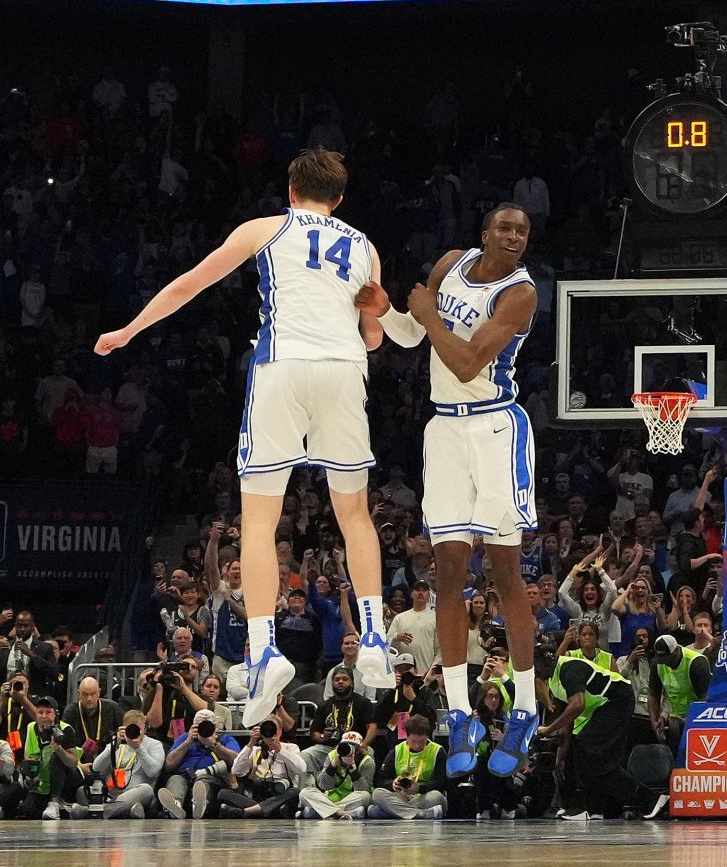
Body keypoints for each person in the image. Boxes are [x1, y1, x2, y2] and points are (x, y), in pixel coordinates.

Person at [94, 149, 396, 726]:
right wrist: (377, 312)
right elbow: (374, 336)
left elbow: (189, 284)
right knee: (354, 514)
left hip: (283, 366)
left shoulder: (265, 227)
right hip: (343, 367)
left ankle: (262, 650)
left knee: (258, 522)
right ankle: (377, 637)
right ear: (338, 199)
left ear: (290, 190)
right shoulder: (364, 246)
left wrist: (130, 329)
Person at [358, 203, 542, 778]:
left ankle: (527, 707)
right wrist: (387, 312)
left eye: (522, 232)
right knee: (447, 574)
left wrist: (424, 312)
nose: (513, 237)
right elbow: (414, 336)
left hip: (494, 426)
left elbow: (465, 362)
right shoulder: (451, 263)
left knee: (505, 575)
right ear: (484, 232)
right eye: (505, 228)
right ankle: (459, 711)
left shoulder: (521, 294)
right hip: (443, 430)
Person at [537, 646, 668, 820]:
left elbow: (577, 705)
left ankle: (582, 807)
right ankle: (649, 799)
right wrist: (560, 758)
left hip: (617, 702)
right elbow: (567, 722)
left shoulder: (569, 668)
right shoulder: (554, 682)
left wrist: (548, 729)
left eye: (534, 665)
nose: (534, 671)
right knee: (600, 766)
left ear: (546, 661)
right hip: (602, 709)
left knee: (584, 746)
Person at [156, 708, 239, 820]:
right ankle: (175, 806)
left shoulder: (225, 739)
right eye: (199, 726)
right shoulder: (185, 738)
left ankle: (200, 804)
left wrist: (214, 745)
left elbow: (236, 762)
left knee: (203, 781)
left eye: (207, 726)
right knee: (176, 779)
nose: (202, 730)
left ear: (215, 727)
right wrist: (187, 743)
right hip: (184, 776)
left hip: (211, 777)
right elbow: (169, 766)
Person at [219, 719, 304, 818]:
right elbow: (237, 771)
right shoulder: (256, 750)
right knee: (223, 793)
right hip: (258, 795)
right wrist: (251, 743)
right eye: (266, 729)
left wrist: (280, 751)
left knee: (295, 792)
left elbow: (301, 769)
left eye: (273, 729)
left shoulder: (290, 748)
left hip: (280, 793)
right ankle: (265, 811)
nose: (269, 731)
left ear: (280, 731)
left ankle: (247, 812)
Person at [370, 714, 448, 819]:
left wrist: (419, 788)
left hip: (424, 796)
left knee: (436, 797)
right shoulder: (397, 750)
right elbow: (380, 780)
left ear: (428, 736)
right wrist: (393, 784)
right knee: (377, 793)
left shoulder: (438, 751)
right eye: (413, 741)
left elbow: (442, 782)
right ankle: (421, 814)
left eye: (421, 741)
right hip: (401, 795)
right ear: (407, 736)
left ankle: (391, 812)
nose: (417, 745)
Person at [90, 709, 165, 818]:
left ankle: (93, 811)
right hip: (110, 794)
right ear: (123, 728)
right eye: (130, 728)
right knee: (83, 790)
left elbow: (153, 772)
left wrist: (138, 748)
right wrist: (113, 746)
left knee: (146, 789)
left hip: (135, 793)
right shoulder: (117, 743)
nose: (134, 732)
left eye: (138, 728)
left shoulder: (154, 745)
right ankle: (124, 812)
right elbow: (96, 768)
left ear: (145, 728)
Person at [647, 634, 710, 748]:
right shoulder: (658, 664)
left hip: (696, 722)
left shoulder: (697, 663)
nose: (665, 663)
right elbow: (653, 694)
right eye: (661, 659)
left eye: (667, 659)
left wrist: (689, 721)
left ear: (676, 650)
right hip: (673, 722)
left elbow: (705, 699)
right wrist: (655, 722)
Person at [298, 730, 375, 820]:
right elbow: (323, 786)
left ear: (359, 749)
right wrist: (333, 766)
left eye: (353, 746)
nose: (347, 749)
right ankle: (342, 813)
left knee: (366, 795)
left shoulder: (367, 761)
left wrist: (353, 768)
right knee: (305, 792)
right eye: (345, 745)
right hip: (330, 799)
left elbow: (363, 789)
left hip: (351, 800)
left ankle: (322, 811)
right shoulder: (332, 756)